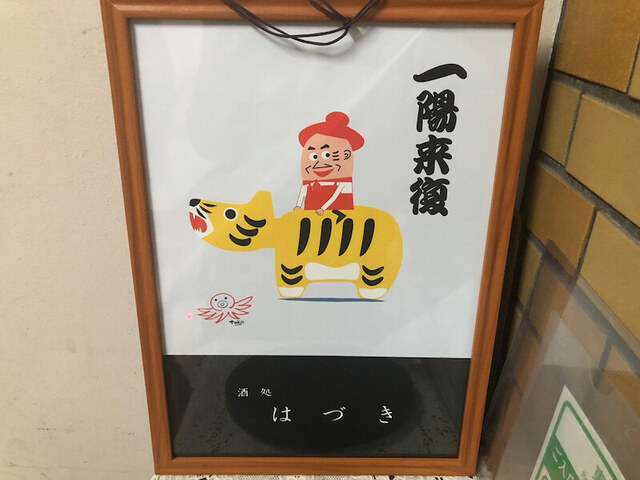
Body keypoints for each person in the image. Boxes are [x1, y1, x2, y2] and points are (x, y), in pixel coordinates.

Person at [294, 112, 365, 215]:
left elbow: (335, 196)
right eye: (314, 157)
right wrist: (298, 205)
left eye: (327, 155)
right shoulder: (310, 182)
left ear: (346, 155)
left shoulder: (343, 183)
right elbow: (304, 190)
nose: (319, 163)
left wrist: (323, 208)